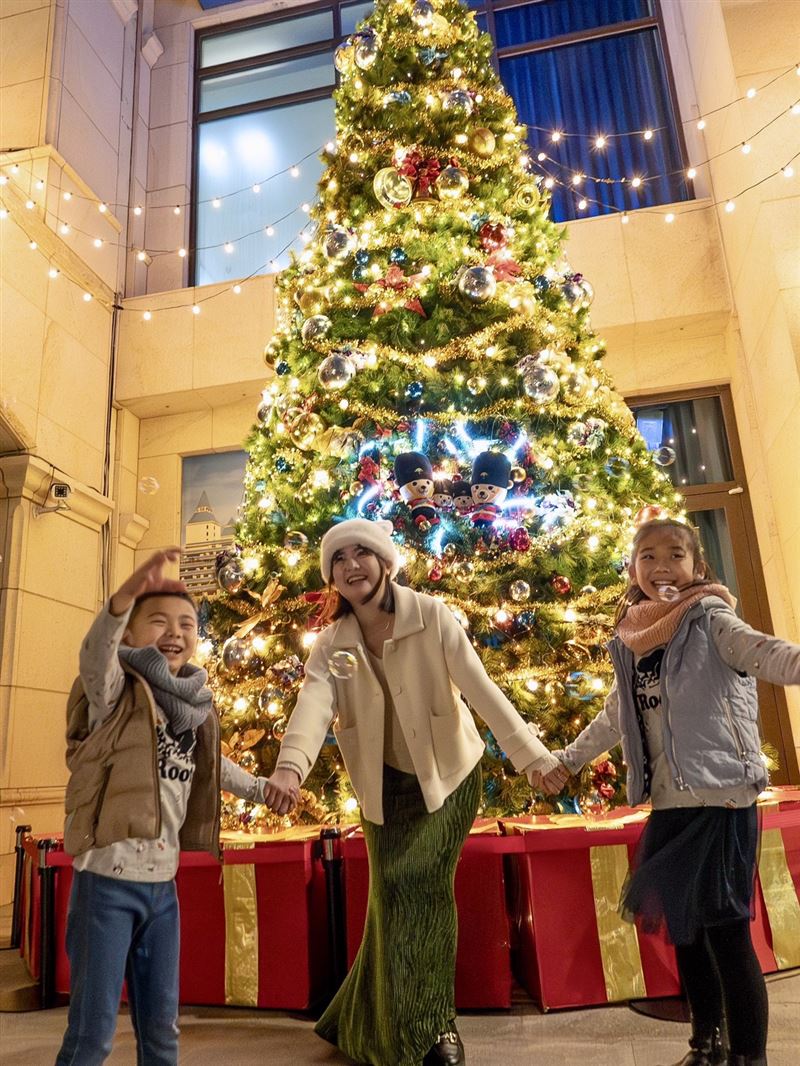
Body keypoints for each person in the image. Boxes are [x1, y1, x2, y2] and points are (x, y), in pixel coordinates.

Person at [262, 517, 564, 1066]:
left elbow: (481, 689)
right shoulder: (333, 644)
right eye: (339, 559)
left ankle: (437, 1024)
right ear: (331, 577)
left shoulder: (431, 616)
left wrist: (533, 758)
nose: (351, 565)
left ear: (384, 561)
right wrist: (289, 768)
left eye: (361, 553)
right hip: (383, 787)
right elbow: (313, 706)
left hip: (449, 776)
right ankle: (362, 1016)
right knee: (390, 897)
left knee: (418, 887)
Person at [548, 518, 800, 1066]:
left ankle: (750, 1057)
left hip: (721, 799)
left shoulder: (711, 618)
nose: (661, 566)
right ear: (632, 569)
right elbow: (616, 715)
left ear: (697, 567)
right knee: (687, 933)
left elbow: (761, 652)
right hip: (670, 802)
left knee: (726, 934)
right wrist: (567, 760)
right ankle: (706, 1045)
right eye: (648, 556)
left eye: (675, 555)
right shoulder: (633, 639)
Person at [56, 548, 279, 1066]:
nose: (174, 631)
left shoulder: (193, 708)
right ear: (130, 634)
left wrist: (263, 789)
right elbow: (95, 654)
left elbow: (214, 768)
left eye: (186, 623)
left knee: (162, 1030)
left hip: (163, 888)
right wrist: (123, 598)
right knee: (93, 1033)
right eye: (157, 620)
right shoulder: (114, 695)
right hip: (107, 884)